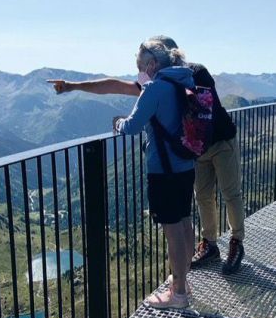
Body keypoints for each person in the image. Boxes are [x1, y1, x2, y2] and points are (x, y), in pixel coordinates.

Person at [48, 36, 246, 275]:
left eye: (143, 66)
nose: (141, 73)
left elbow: (201, 106)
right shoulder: (166, 81)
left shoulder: (189, 75)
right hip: (193, 149)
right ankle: (210, 245)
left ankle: (236, 242)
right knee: (203, 196)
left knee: (229, 193)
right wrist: (73, 85)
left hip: (220, 140)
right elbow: (114, 85)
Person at [113, 40, 196, 308]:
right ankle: (183, 281)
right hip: (186, 165)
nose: (139, 72)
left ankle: (179, 293)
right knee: (185, 222)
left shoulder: (154, 88)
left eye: (140, 66)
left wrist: (117, 123)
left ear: (152, 64)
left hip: (163, 170)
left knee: (172, 230)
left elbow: (132, 126)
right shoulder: (185, 82)